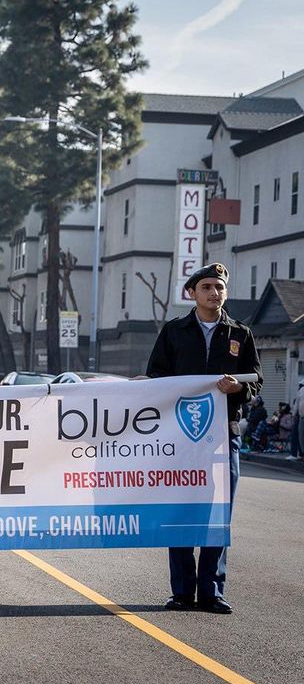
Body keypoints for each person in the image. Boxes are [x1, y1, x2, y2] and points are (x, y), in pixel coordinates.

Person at [145, 262, 260, 614]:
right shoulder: (175, 331)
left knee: (217, 514)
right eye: (207, 286)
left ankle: (211, 591)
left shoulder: (240, 333)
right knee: (180, 511)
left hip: (224, 436)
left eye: (220, 287)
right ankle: (181, 591)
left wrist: (238, 386)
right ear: (192, 292)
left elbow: (255, 380)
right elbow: (156, 377)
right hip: (180, 439)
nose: (215, 293)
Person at [293, 379, 304, 460]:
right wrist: (294, 413)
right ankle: (303, 453)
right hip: (302, 417)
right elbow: (297, 403)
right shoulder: (301, 391)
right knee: (301, 436)